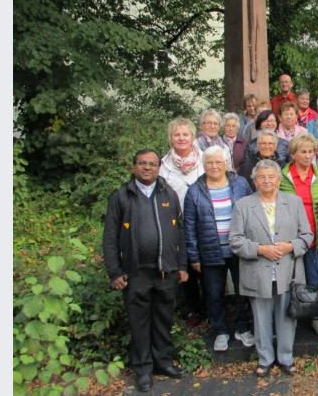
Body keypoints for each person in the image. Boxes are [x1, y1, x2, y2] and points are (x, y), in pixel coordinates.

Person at [102, 150, 190, 392]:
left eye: (152, 164)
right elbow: (109, 238)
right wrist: (115, 272)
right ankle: (143, 369)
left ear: (158, 167)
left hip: (166, 271)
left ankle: (163, 362)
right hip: (136, 273)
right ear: (134, 167)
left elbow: (180, 232)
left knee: (163, 320)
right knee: (139, 323)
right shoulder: (121, 196)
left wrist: (182, 265)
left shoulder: (168, 194)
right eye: (142, 164)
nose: (147, 168)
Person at [229, 159, 314, 377]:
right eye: (261, 177)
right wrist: (260, 249)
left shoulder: (294, 203)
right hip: (257, 271)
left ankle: (285, 357)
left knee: (287, 317)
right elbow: (235, 240)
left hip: (288, 270)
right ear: (255, 181)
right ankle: (265, 359)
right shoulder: (243, 205)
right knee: (260, 317)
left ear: (278, 179)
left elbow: (307, 236)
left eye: (271, 176)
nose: (266, 181)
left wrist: (289, 246)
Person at [184, 147, 255, 352]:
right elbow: (189, 226)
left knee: (244, 291)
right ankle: (221, 331)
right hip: (210, 252)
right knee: (214, 294)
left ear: (226, 163)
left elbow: (253, 210)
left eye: (218, 162)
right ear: (203, 165)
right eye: (209, 163)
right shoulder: (195, 190)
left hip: (239, 250)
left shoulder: (240, 183)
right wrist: (194, 256)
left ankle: (242, 328)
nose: (214, 166)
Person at [279, 134, 318, 337]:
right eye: (303, 151)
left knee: (316, 280)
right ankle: (287, 320)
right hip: (290, 239)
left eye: (311, 151)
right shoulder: (282, 176)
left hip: (315, 238)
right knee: (288, 281)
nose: (308, 155)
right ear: (293, 154)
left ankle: (315, 317)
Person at [159, 118, 207, 327]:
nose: (181, 138)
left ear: (193, 137)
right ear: (170, 138)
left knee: (207, 265)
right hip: (176, 223)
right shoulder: (163, 166)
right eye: (177, 134)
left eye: (185, 134)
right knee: (185, 265)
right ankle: (193, 308)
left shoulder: (206, 159)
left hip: (204, 222)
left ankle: (213, 306)